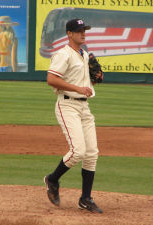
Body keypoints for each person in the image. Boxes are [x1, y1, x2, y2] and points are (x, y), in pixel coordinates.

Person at [44, 18, 103, 213]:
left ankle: (85, 198)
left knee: (92, 153)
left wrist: (95, 80)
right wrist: (79, 88)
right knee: (78, 151)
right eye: (79, 31)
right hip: (67, 105)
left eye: (84, 30)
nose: (83, 33)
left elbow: (85, 85)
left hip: (84, 108)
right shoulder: (64, 54)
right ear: (69, 34)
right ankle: (52, 179)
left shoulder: (84, 55)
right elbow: (51, 79)